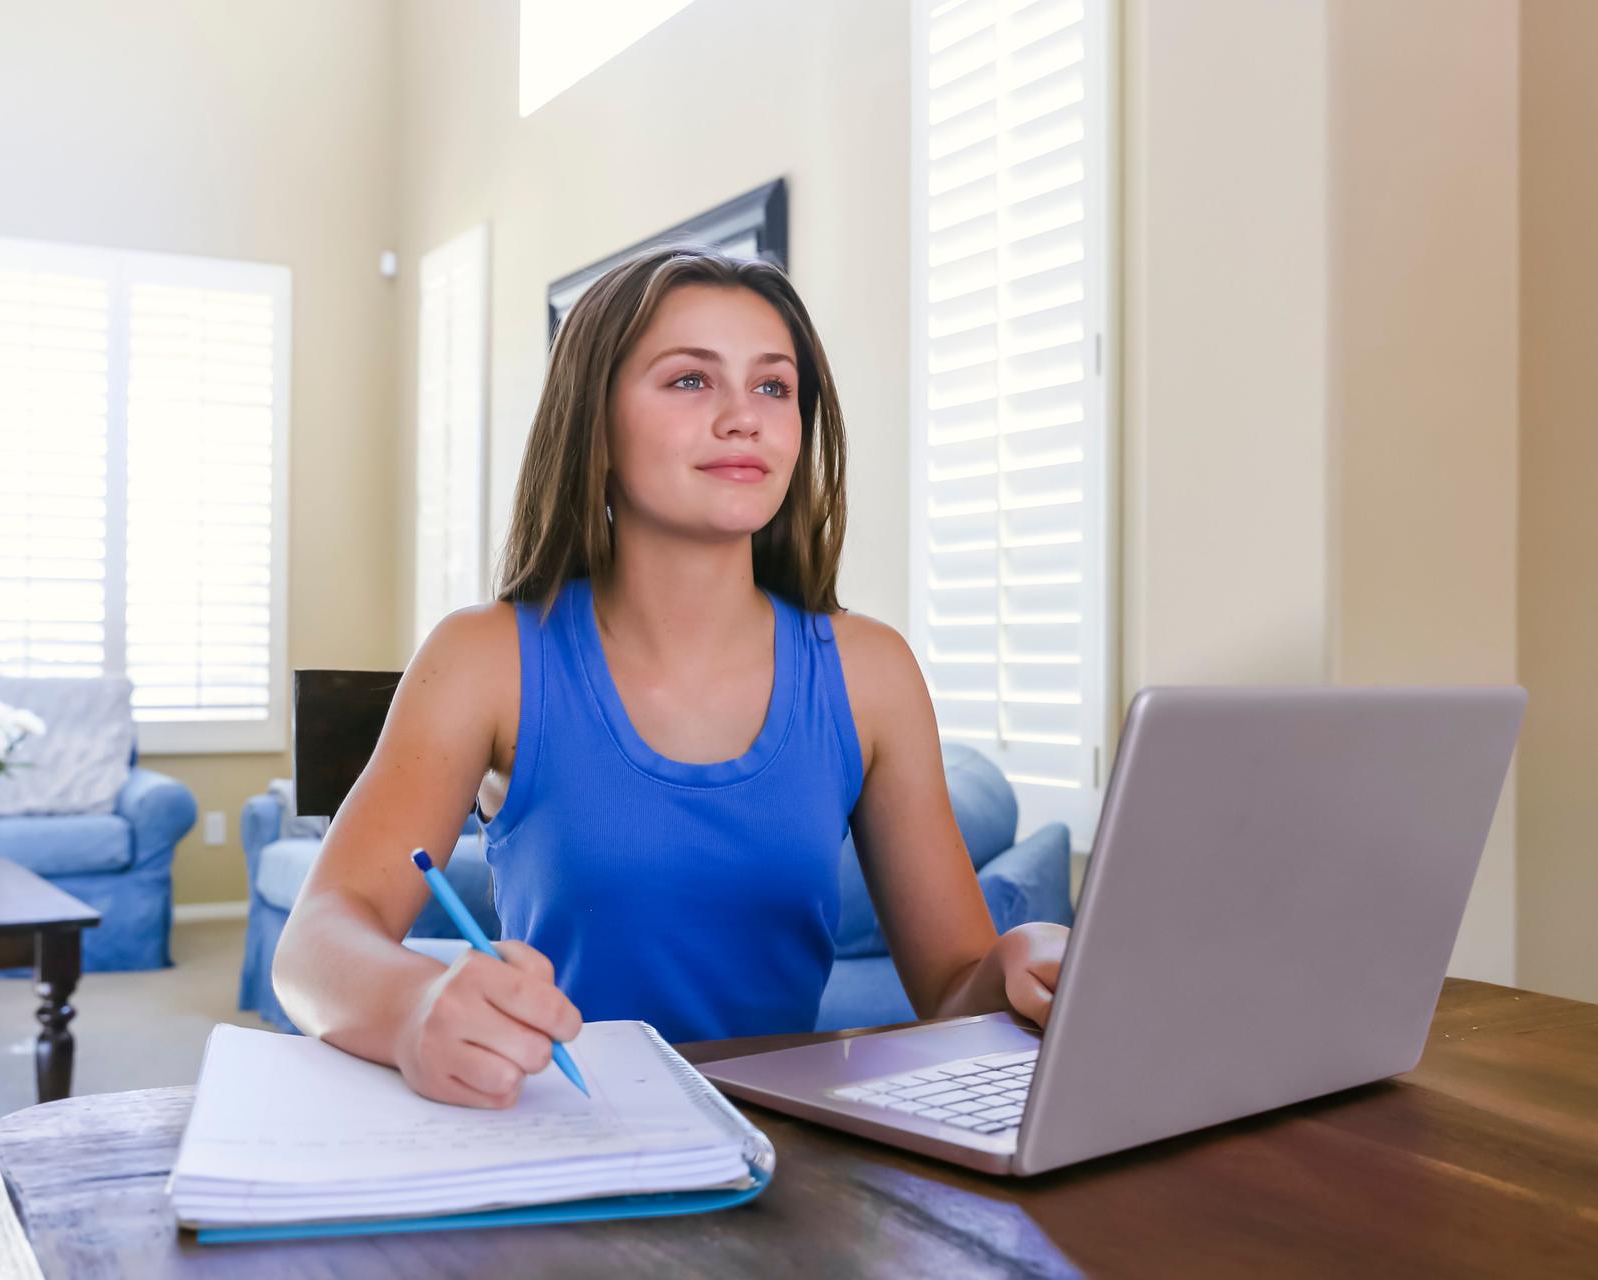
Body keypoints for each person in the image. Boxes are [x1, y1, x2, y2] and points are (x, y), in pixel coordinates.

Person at [273, 244, 1070, 1108]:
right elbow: (315, 942)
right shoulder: (484, 658)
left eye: (773, 386)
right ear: (596, 421)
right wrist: (413, 1002)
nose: (745, 417)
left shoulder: (871, 674)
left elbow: (953, 993)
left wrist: (1014, 966)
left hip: (781, 1163)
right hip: (553, 1133)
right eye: (691, 380)